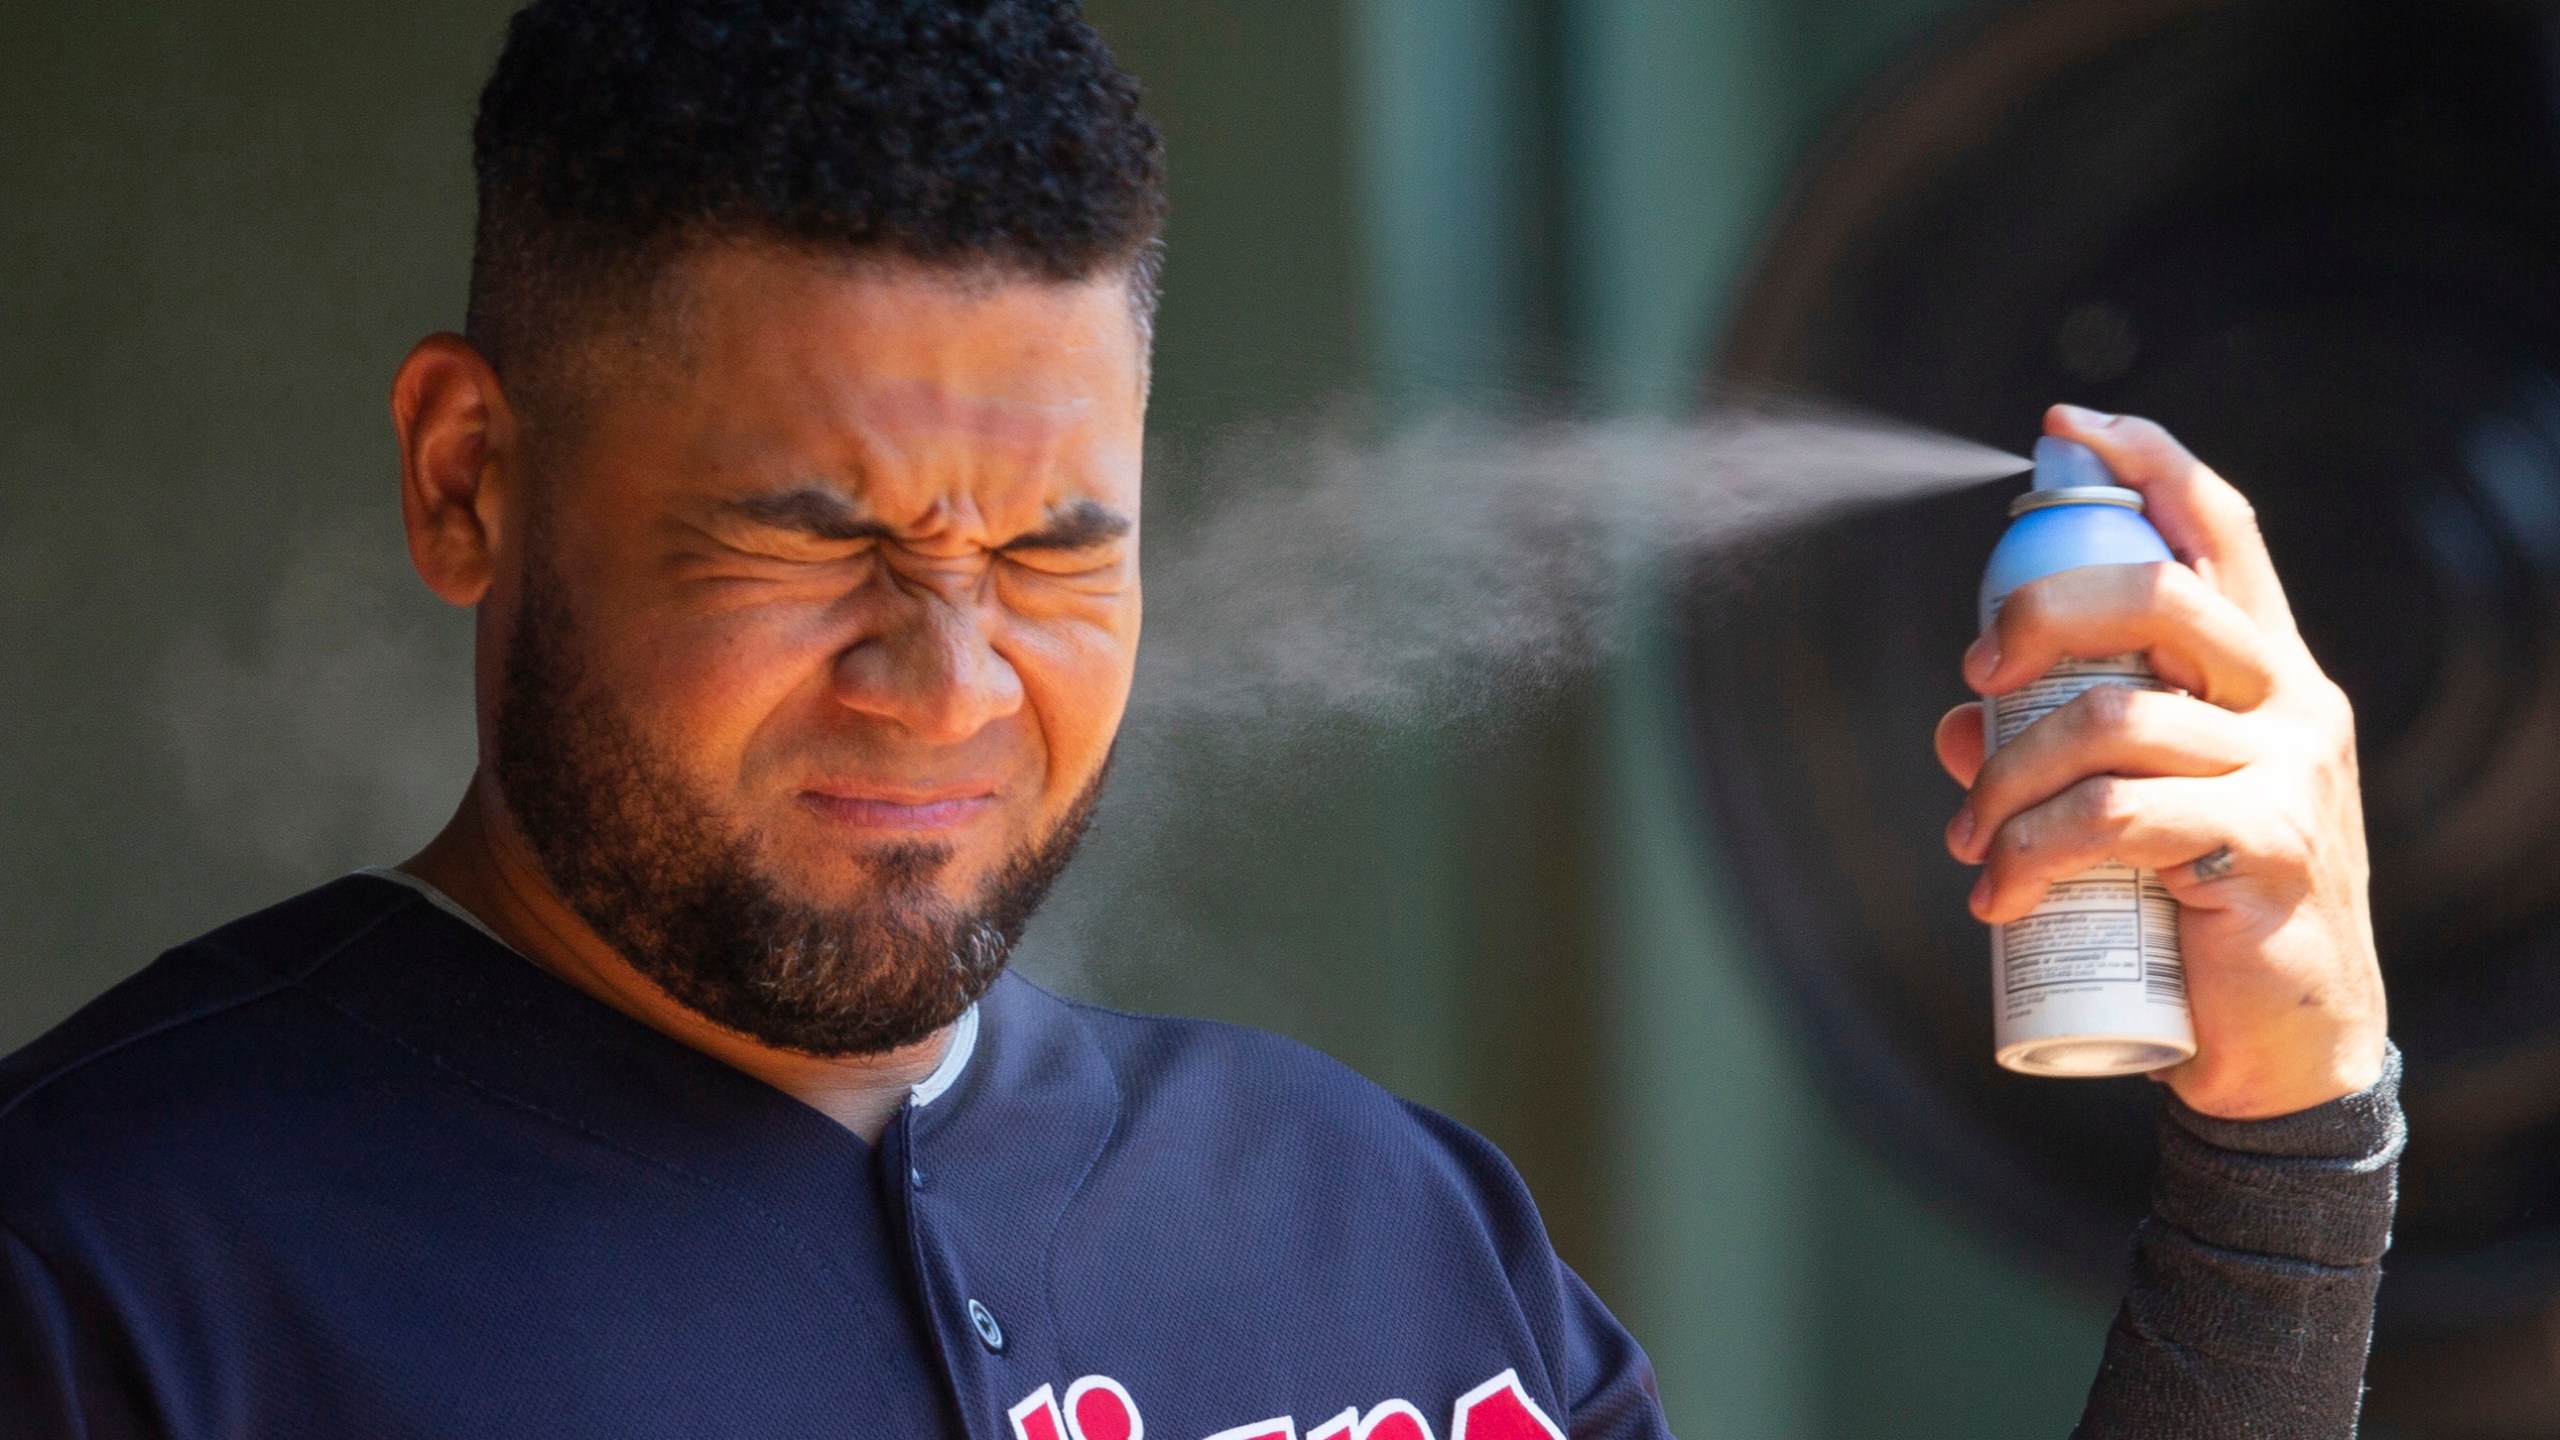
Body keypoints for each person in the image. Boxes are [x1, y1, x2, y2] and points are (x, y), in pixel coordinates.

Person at [0, 2, 2398, 1437]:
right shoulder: (111, 1288)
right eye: (813, 538)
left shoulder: (1384, 1229)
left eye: (1053, 549)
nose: (949, 679)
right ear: (469, 478)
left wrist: (2285, 1146)